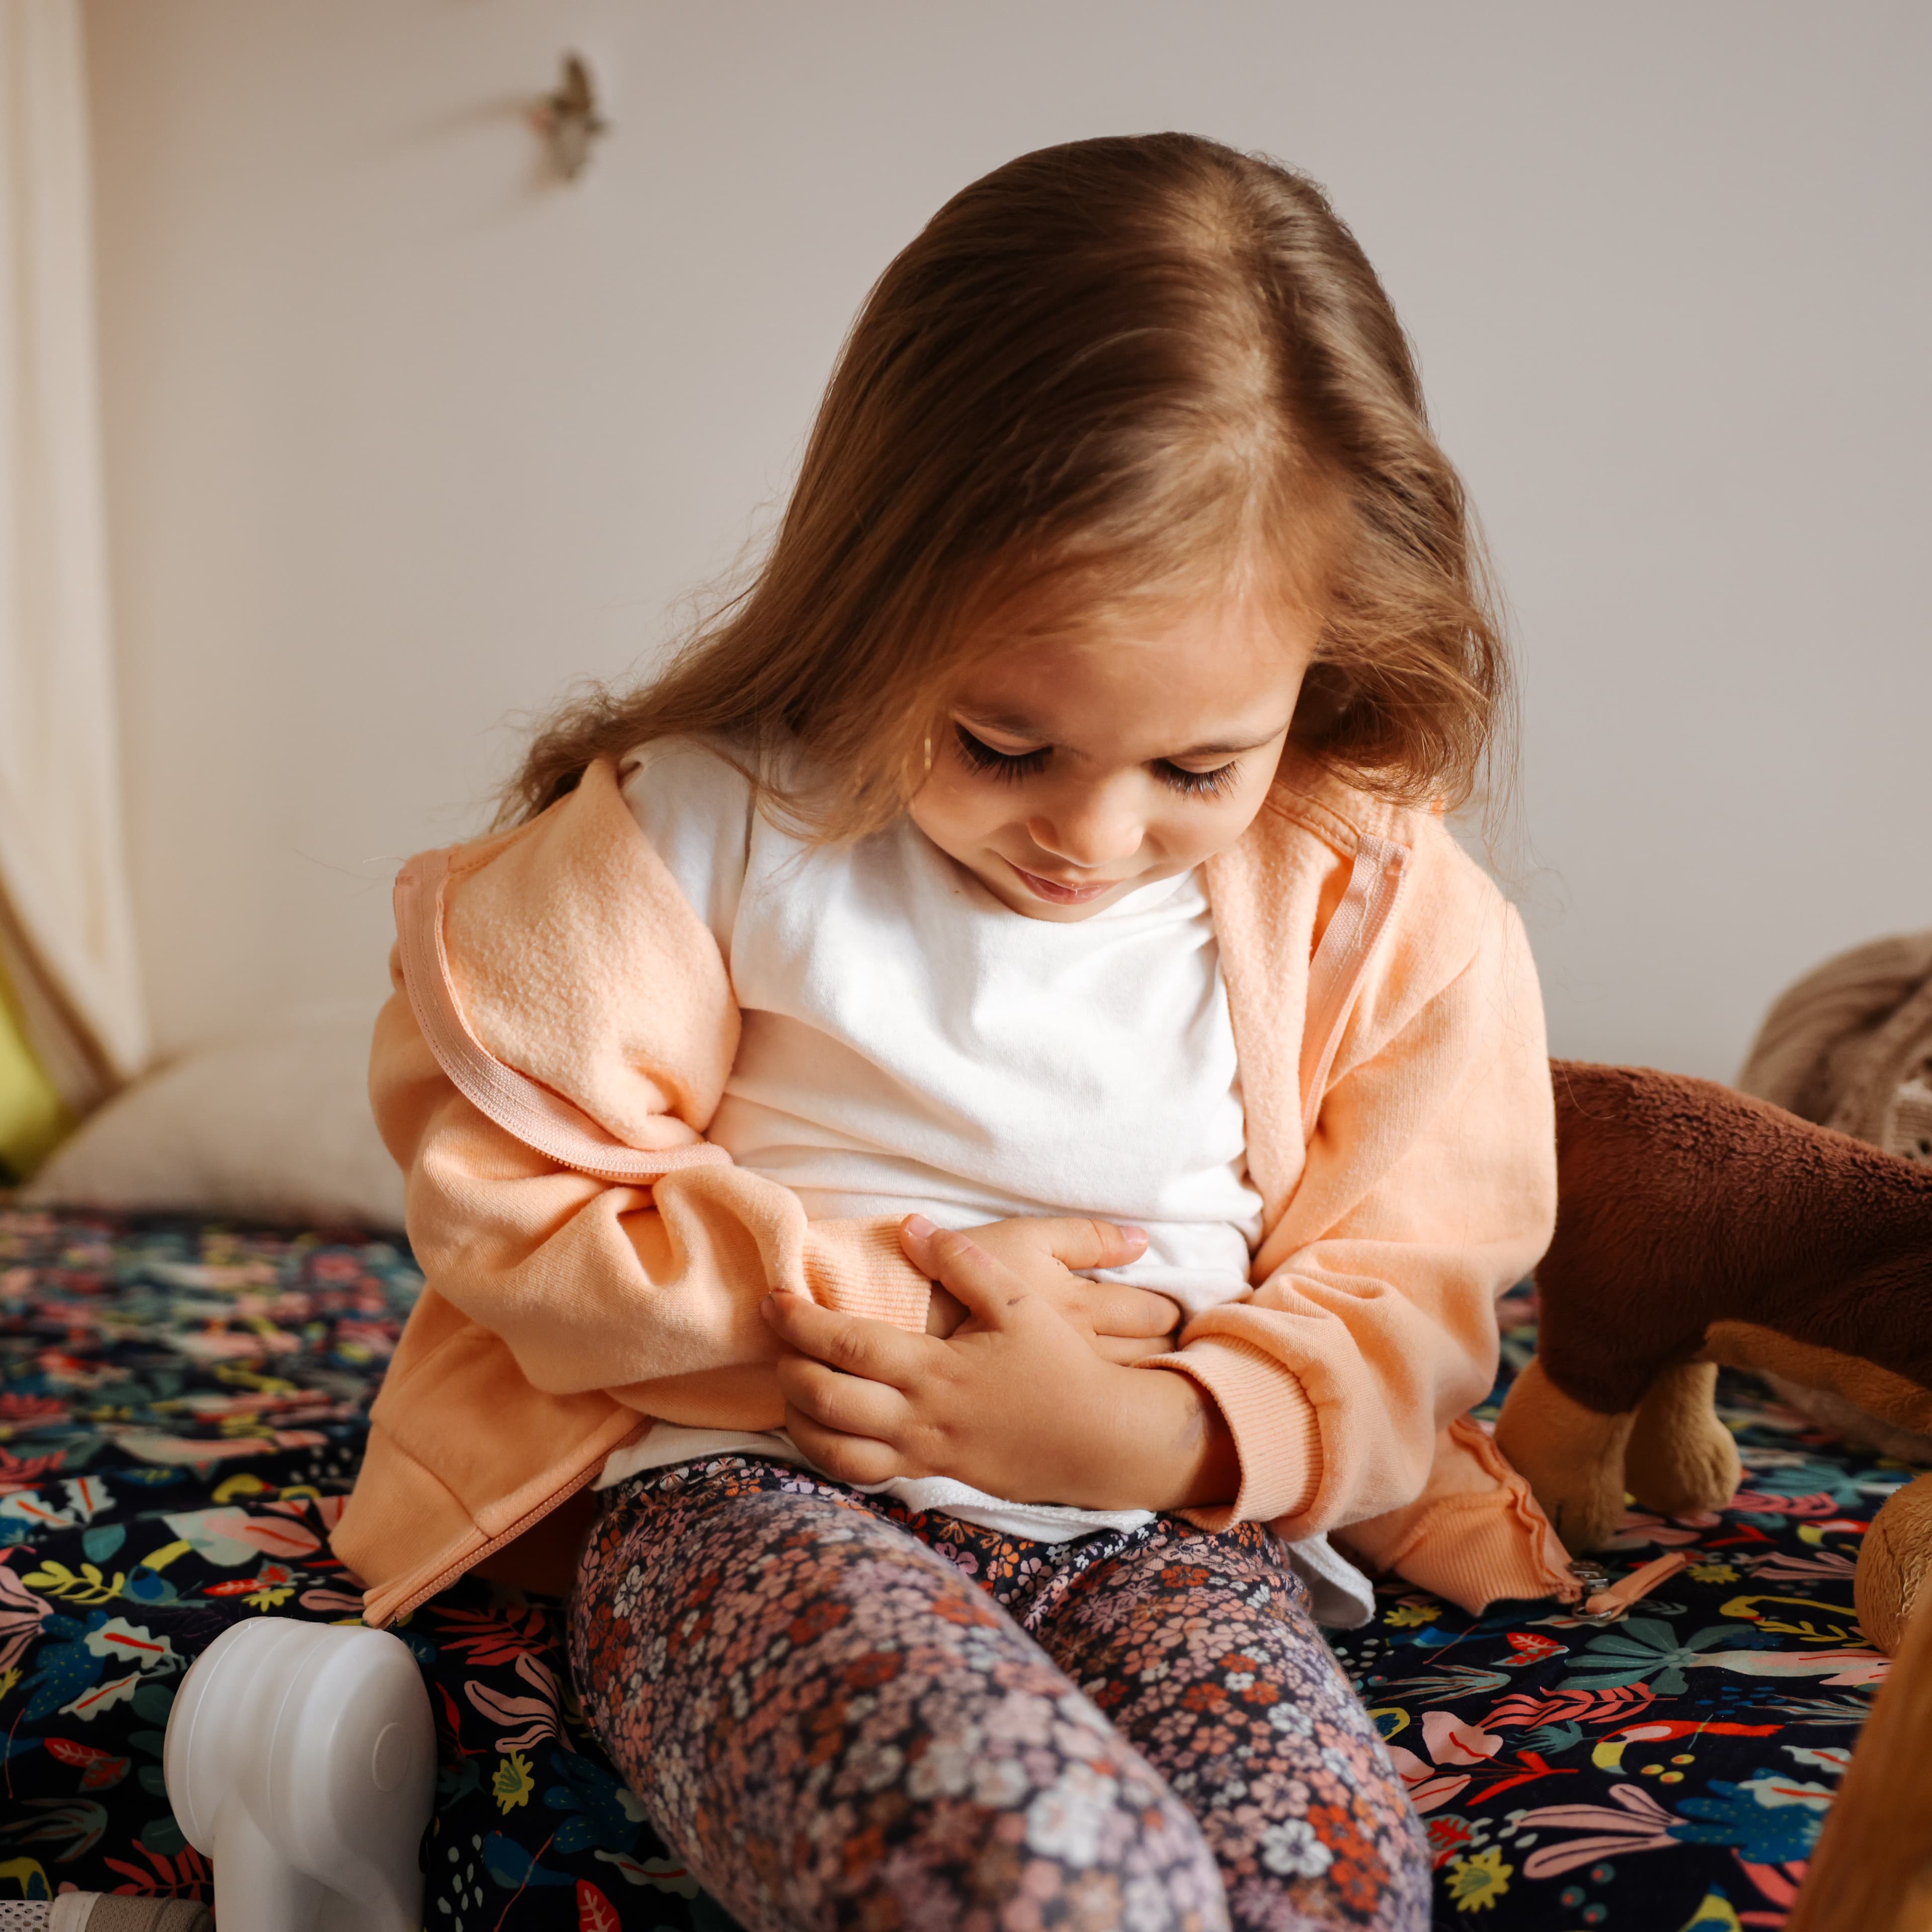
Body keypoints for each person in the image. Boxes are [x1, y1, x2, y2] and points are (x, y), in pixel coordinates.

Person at [334, 132, 1575, 1931]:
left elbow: (1417, 1283)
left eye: (1195, 769)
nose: (1089, 833)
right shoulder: (709, 825)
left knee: (1328, 1883)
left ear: (1325, 661)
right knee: (1023, 1871)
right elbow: (517, 1197)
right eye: (1004, 746)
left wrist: (1154, 1434)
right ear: (881, 593)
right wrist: (906, 1312)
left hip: (1170, 1528)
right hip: (750, 1495)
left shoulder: (1368, 889)